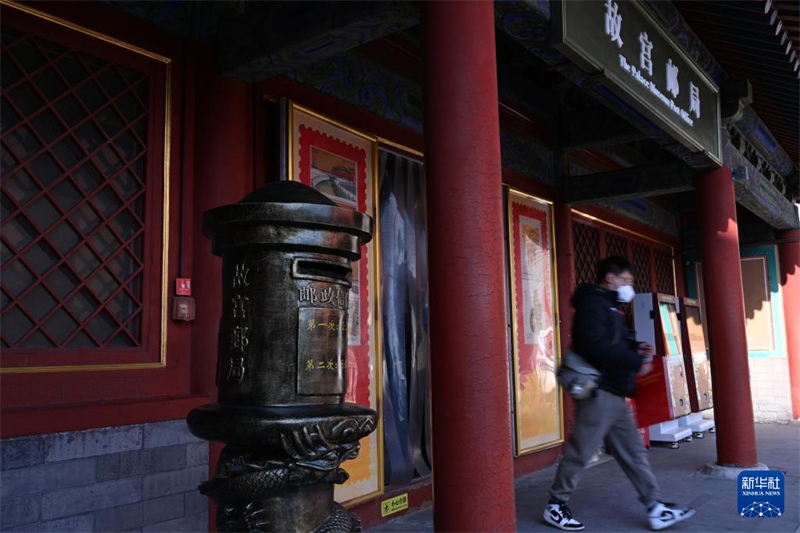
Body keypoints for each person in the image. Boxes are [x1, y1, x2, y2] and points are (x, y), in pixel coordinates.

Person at [543, 256, 695, 532]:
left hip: (614, 391)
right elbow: (593, 345)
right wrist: (634, 361)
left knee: (634, 452)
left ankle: (654, 506)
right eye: (626, 280)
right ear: (610, 278)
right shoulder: (593, 303)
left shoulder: (611, 307)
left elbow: (615, 340)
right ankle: (556, 504)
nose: (629, 286)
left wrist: (636, 347)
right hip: (598, 391)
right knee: (582, 451)